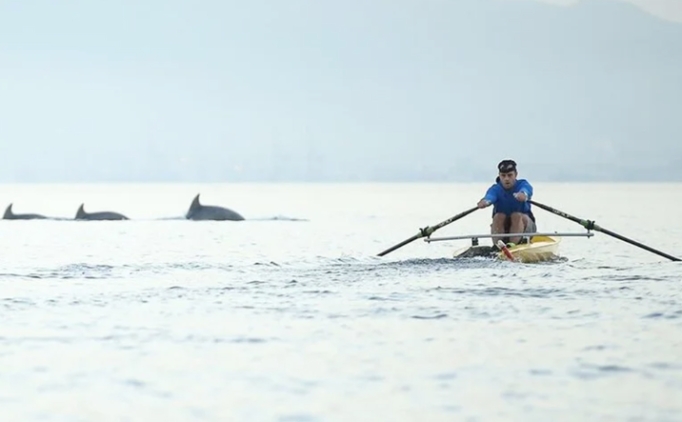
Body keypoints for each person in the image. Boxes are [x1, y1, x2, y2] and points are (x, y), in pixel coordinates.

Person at [477, 159, 537, 246]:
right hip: (503, 228)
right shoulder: (495, 189)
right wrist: (485, 202)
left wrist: (523, 195)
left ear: (516, 175)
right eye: (503, 176)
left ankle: (512, 246)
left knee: (516, 215)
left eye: (510, 175)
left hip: (526, 228)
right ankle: (498, 246)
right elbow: (490, 197)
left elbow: (527, 190)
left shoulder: (523, 184)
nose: (506, 179)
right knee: (498, 216)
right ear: (499, 176)